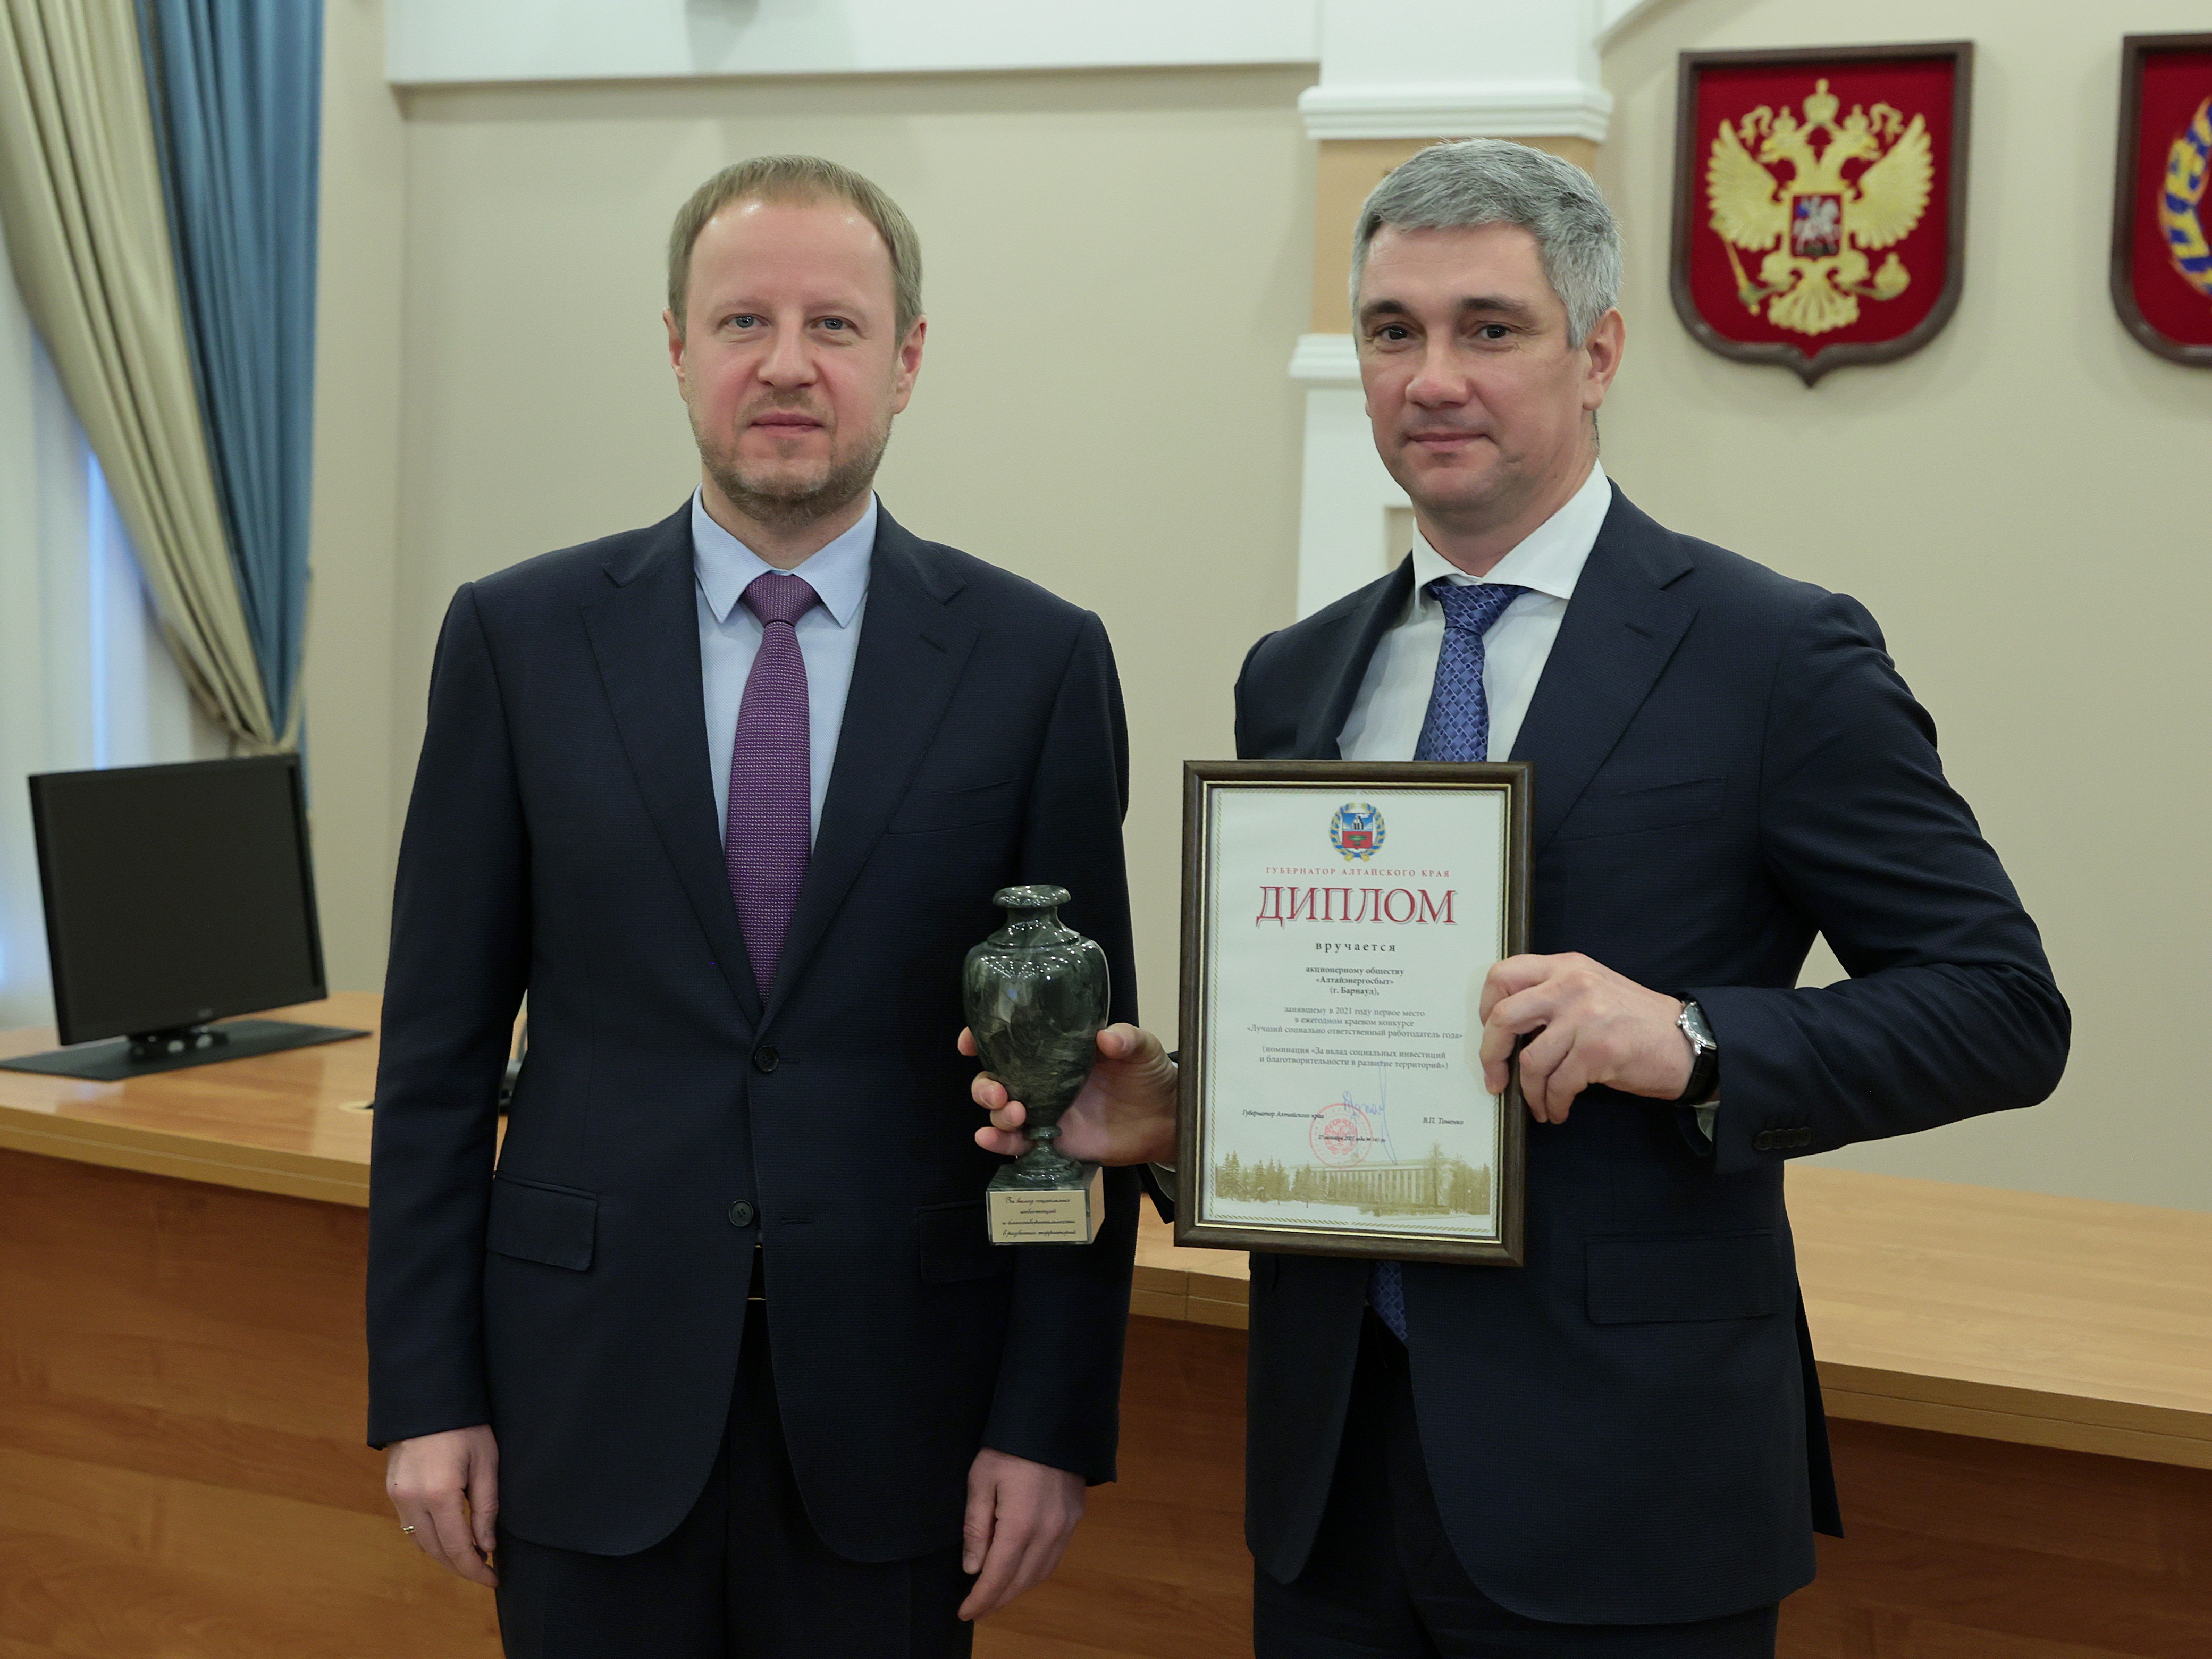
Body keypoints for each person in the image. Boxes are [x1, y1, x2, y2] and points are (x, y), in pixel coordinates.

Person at [969, 139, 2067, 1657]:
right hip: (1332, 1480)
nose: (1433, 378)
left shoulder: (1774, 656)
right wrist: (1183, 1111)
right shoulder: (1298, 674)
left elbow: (2002, 1009)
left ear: (1596, 352)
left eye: (1488, 328)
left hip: (1628, 1480)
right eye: (1391, 330)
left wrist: (1692, 1039)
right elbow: (1349, 1028)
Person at [369, 155, 1141, 1659]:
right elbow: (437, 1059)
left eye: (835, 325)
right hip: (580, 1398)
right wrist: (426, 1388)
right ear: (677, 349)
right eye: (742, 322)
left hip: (904, 1417)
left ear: (907, 359)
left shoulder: (1036, 661)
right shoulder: (518, 641)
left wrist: (1047, 1417)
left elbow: (1075, 1087)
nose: (787, 364)